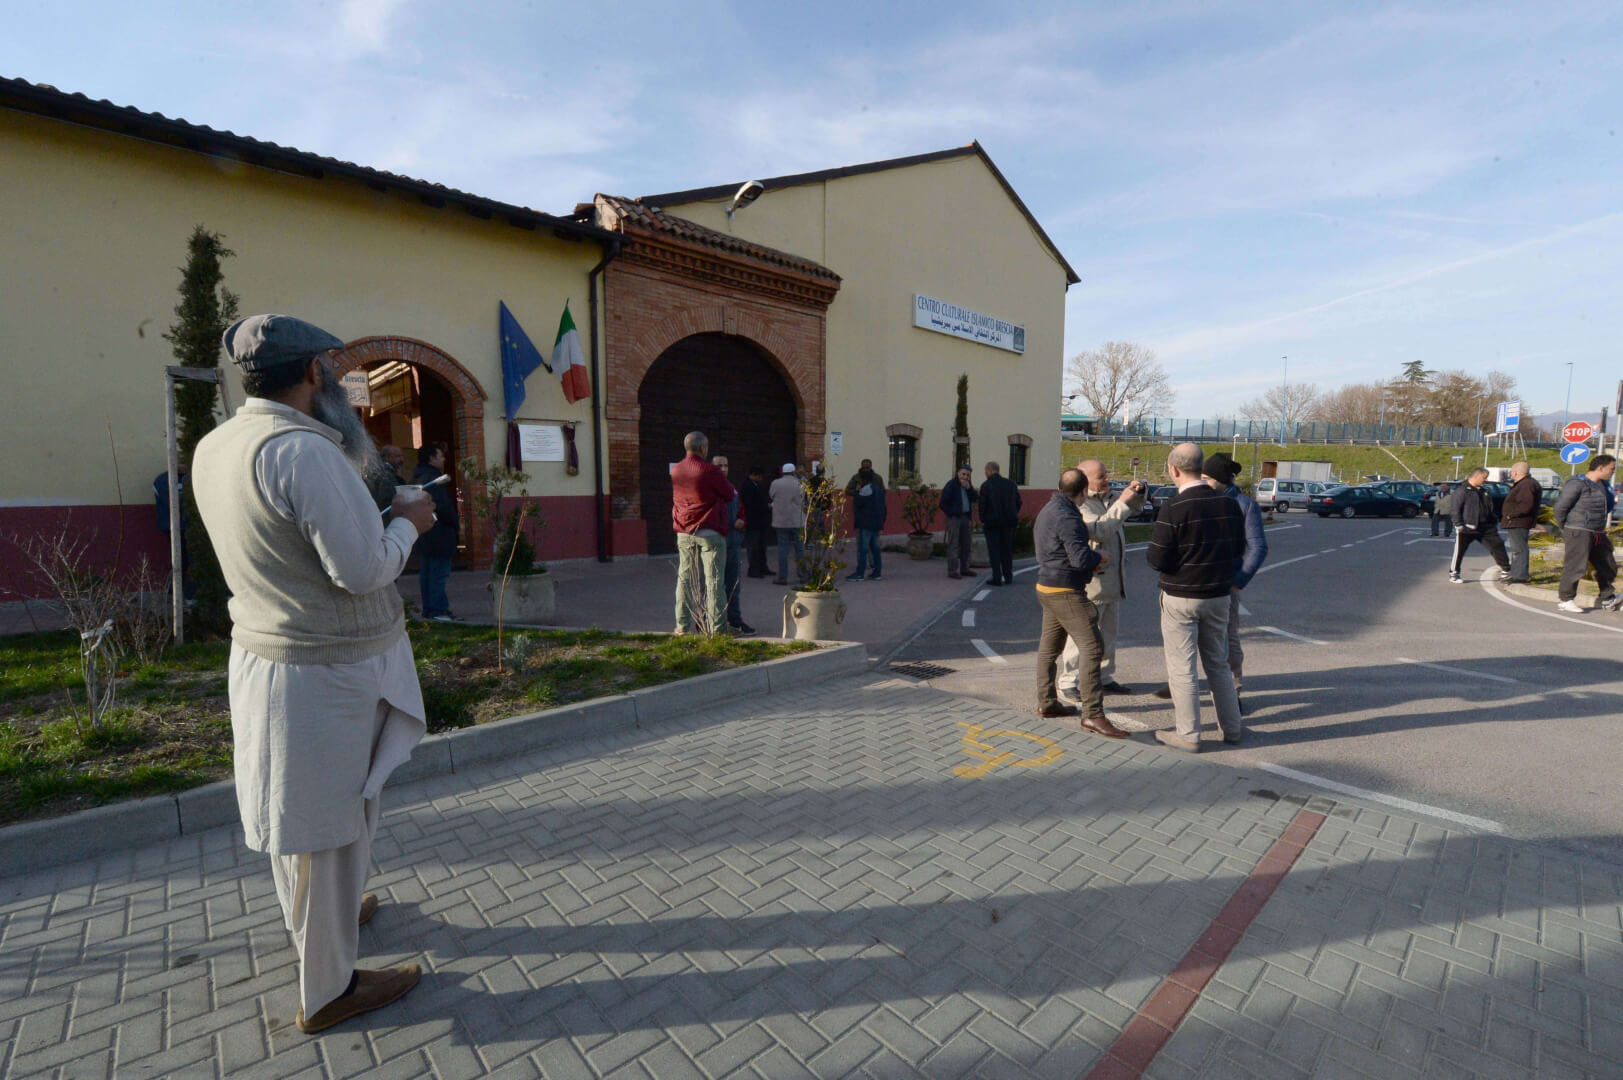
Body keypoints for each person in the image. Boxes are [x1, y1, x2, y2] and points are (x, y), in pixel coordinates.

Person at [191, 313, 433, 1033]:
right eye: (329, 366)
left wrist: (372, 520)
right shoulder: (304, 451)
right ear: (311, 373)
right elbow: (360, 571)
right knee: (333, 824)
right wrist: (408, 523)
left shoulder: (218, 443)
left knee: (295, 814)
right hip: (325, 669)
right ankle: (329, 989)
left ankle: (327, 917)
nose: (333, 378)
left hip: (270, 654)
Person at [1145, 443, 1245, 752]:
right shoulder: (1228, 504)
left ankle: (1188, 735)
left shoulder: (1174, 507)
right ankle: (1232, 729)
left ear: (1173, 469)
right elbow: (1238, 549)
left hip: (1181, 597)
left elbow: (1156, 559)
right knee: (1218, 663)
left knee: (1182, 667)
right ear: (1201, 468)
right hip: (1219, 595)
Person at [1032, 469, 1129, 737]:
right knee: (1093, 646)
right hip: (1065, 590)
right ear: (1084, 491)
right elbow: (1079, 559)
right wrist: (1100, 557)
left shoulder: (1049, 509)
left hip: (1046, 586)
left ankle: (1047, 703)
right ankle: (1093, 715)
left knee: (1049, 648)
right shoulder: (1069, 517)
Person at [1059, 460, 1142, 699]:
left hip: (1114, 580)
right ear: (1084, 481)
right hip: (1092, 583)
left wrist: (1137, 495)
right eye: (1100, 477)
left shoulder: (1110, 497)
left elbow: (1134, 511)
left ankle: (1103, 676)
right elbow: (1099, 530)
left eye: (1106, 474)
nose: (1106, 479)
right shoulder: (1081, 505)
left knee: (1108, 634)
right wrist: (1123, 503)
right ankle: (1069, 681)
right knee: (1082, 636)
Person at [1204, 452, 1267, 711]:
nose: (1201, 482)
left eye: (1206, 478)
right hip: (1193, 583)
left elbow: (1258, 546)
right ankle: (1182, 688)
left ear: (1220, 479)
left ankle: (1232, 692)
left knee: (1228, 639)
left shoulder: (1244, 505)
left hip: (1225, 585)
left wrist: (1239, 580)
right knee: (1186, 640)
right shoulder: (1198, 499)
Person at [670, 432, 736, 633]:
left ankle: (682, 626)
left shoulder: (676, 470)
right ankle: (717, 628)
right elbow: (729, 494)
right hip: (710, 530)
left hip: (684, 530)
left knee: (685, 578)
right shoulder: (710, 470)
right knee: (714, 580)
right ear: (703, 448)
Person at [1552, 454, 1619, 613]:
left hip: (1597, 531)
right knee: (1576, 566)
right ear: (1600, 468)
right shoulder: (1577, 483)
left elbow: (1607, 506)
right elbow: (1560, 508)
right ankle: (1566, 599)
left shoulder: (1603, 485)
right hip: (1579, 529)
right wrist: (1566, 527)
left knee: (1607, 564)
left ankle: (1607, 598)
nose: (1613, 472)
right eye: (1611, 469)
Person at [411, 443, 459, 621]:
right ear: (431, 458)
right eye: (440, 456)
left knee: (428, 572)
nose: (444, 459)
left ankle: (430, 609)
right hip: (438, 534)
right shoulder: (433, 480)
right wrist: (454, 523)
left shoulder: (418, 477)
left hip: (425, 531)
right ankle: (438, 610)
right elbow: (443, 508)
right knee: (438, 574)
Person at [711, 454, 755, 634]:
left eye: (726, 466)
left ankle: (735, 621)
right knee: (714, 584)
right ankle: (713, 622)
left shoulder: (733, 490)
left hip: (733, 544)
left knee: (733, 584)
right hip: (715, 544)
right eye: (719, 466)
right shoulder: (708, 490)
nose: (723, 469)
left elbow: (741, 511)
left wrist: (741, 520)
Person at [1449, 468, 1512, 584]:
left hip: (1486, 526)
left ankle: (1506, 570)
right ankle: (1454, 573)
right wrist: (1458, 524)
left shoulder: (1484, 491)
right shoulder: (1462, 490)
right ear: (1476, 476)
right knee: (1459, 550)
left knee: (1498, 545)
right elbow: (1455, 509)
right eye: (1484, 478)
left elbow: (1489, 507)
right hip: (1468, 527)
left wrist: (1493, 519)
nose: (1486, 480)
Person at [977, 461, 1022, 586]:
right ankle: (1008, 576)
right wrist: (1013, 513)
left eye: (986, 471)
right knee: (1006, 550)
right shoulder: (1011, 484)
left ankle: (997, 577)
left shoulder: (986, 485)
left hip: (992, 523)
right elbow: (1018, 502)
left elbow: (982, 505)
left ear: (989, 471)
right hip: (1008, 522)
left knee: (994, 551)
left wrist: (983, 519)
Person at [153, 461, 193, 599]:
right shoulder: (163, 480)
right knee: (179, 561)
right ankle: (175, 593)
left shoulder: (188, 477)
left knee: (189, 560)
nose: (184, 465)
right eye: (181, 462)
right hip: (173, 527)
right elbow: (173, 501)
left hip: (187, 526)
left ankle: (185, 593)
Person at [1500, 461, 1541, 585]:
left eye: (1512, 471)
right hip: (1518, 521)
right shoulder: (1527, 483)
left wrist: (1510, 515)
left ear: (1515, 472)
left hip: (1518, 521)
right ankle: (1516, 573)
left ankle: (1520, 576)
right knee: (1517, 549)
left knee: (1519, 549)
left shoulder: (1526, 485)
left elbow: (1525, 505)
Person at [846, 459, 886, 581]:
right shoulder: (877, 488)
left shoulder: (866, 489)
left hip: (866, 522)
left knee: (863, 548)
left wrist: (857, 491)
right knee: (875, 548)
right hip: (876, 521)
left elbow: (859, 501)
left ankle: (860, 573)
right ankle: (877, 572)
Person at [939, 465, 978, 579]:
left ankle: (965, 569)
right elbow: (943, 503)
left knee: (966, 544)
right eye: (963, 474)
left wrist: (969, 489)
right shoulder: (951, 485)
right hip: (954, 518)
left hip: (966, 517)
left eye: (968, 475)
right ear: (958, 473)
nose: (965, 477)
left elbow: (975, 498)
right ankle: (953, 571)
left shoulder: (968, 485)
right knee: (954, 544)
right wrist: (952, 513)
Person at [769, 463, 805, 586]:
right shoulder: (800, 483)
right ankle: (802, 575)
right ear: (794, 472)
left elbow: (772, 496)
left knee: (783, 550)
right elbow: (804, 498)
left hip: (781, 521)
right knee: (799, 549)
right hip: (797, 520)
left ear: (783, 472)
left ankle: (783, 577)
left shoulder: (775, 483)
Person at [740, 464, 773, 578]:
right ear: (753, 475)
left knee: (762, 546)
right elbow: (751, 505)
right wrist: (765, 507)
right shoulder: (747, 486)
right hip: (752, 522)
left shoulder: (755, 485)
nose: (761, 478)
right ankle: (754, 570)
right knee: (754, 548)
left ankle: (762, 567)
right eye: (759, 476)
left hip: (760, 522)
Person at [365, 444, 405, 511]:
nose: (402, 459)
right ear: (387, 457)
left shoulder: (378, 471)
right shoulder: (386, 475)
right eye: (398, 456)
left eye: (402, 456)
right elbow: (387, 501)